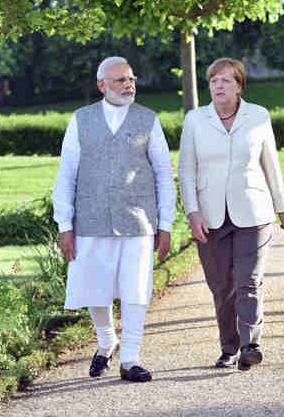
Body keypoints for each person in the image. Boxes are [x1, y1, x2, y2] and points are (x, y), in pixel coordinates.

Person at [52, 56, 175, 383]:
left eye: (131, 79)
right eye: (120, 80)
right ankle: (106, 342)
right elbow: (66, 175)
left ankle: (131, 359)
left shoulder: (148, 120)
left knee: (136, 290)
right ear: (101, 85)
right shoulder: (81, 120)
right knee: (94, 289)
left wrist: (165, 225)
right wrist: (64, 224)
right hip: (90, 219)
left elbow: (164, 174)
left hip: (138, 220)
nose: (128, 85)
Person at [178, 57, 284, 371]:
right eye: (214, 80)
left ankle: (250, 344)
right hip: (211, 216)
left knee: (248, 280)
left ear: (240, 85)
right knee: (221, 286)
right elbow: (186, 170)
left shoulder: (258, 116)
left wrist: (281, 207)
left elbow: (271, 163)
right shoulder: (195, 120)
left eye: (226, 80)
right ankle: (229, 347)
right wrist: (192, 213)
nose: (218, 85)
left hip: (253, 212)